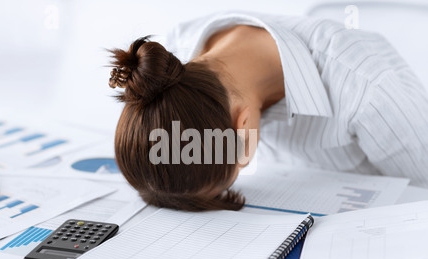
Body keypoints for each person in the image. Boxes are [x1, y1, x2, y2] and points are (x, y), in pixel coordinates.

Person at [108, 11, 428, 211]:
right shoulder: (168, 69)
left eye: (229, 179)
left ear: (243, 129)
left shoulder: (370, 85)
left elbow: (423, 195)